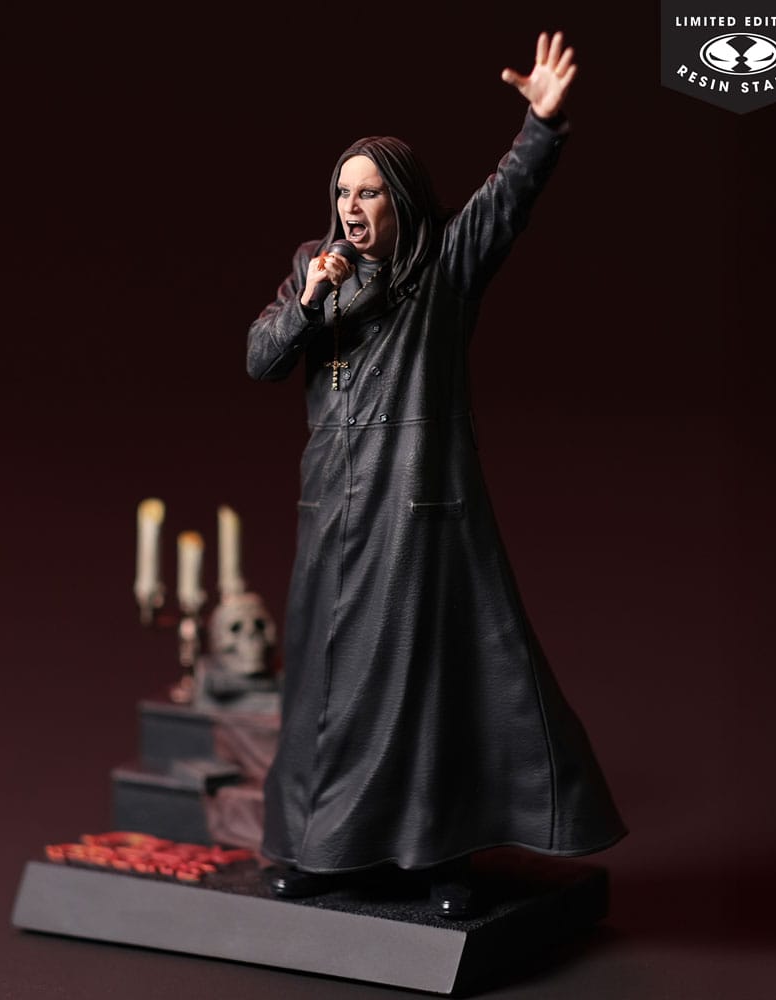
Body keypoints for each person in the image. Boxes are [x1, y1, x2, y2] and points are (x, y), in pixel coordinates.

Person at [246, 32, 627, 918]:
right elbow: (261, 359)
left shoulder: (444, 267)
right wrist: (311, 302)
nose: (351, 206)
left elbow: (507, 198)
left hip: (417, 516)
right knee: (323, 686)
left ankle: (437, 852)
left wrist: (541, 125)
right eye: (342, 192)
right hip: (331, 512)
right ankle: (320, 848)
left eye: (369, 191)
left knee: (426, 683)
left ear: (401, 199)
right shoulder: (311, 271)